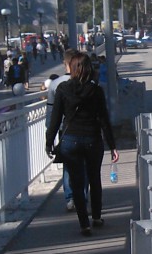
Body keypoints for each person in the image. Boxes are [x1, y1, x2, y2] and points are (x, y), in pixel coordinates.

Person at [46, 52, 119, 236]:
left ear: (72, 68)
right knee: (94, 179)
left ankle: (84, 224)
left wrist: (49, 142)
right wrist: (112, 145)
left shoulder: (63, 89)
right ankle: (97, 217)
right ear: (88, 69)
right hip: (93, 139)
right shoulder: (96, 90)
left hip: (70, 140)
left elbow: (55, 119)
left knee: (77, 183)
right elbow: (104, 120)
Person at [46, 49, 86, 212]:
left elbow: (51, 113)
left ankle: (70, 198)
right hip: (86, 130)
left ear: (65, 63)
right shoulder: (88, 82)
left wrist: (49, 136)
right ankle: (82, 197)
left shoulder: (55, 84)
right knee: (84, 165)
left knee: (69, 165)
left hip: (65, 131)